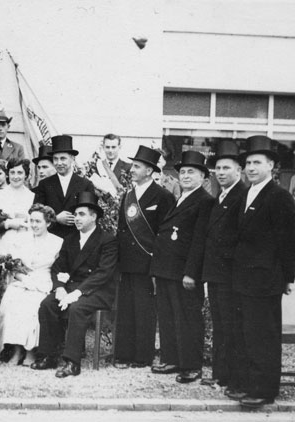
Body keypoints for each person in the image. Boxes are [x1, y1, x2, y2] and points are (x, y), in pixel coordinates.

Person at [231, 136, 295, 408]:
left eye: (257, 162)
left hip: (265, 277)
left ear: (271, 166)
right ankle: (248, 384)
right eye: (248, 163)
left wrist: (288, 277)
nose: (251, 168)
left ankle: (264, 390)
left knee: (264, 335)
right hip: (244, 277)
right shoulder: (246, 193)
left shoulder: (279, 197)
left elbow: (288, 240)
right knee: (247, 333)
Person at [32, 192, 118, 377]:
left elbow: (103, 273)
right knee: (47, 304)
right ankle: (48, 356)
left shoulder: (107, 240)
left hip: (98, 290)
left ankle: (72, 362)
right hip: (71, 288)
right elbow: (58, 266)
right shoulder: (70, 239)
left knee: (77, 308)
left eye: (82, 214)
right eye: (76, 214)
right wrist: (59, 288)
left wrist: (78, 292)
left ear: (93, 217)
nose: (77, 218)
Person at [149, 150, 214, 384]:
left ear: (203, 177)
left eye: (191, 172)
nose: (185, 176)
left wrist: (191, 273)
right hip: (166, 269)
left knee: (187, 319)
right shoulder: (181, 197)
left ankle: (191, 365)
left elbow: (199, 241)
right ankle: (171, 359)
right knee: (168, 317)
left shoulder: (204, 201)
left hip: (183, 273)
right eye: (183, 172)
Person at [113, 146, 175, 369]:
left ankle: (142, 356)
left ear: (149, 171)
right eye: (133, 165)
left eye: (137, 166)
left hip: (148, 263)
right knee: (126, 310)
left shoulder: (163, 196)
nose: (132, 170)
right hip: (127, 262)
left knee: (144, 310)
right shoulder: (128, 195)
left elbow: (164, 234)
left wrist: (158, 264)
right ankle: (123, 354)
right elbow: (121, 229)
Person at [193, 141, 247, 391]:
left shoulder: (242, 196)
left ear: (239, 170)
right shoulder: (221, 196)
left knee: (231, 327)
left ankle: (231, 377)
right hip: (216, 274)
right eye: (218, 169)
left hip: (230, 275)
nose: (221, 173)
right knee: (221, 325)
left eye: (227, 168)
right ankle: (220, 374)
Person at [0, 204, 63, 366]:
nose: (33, 225)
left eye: (38, 221)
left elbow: (59, 269)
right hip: (22, 280)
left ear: (48, 223)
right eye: (31, 221)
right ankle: (16, 350)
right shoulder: (21, 239)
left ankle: (30, 351)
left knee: (32, 306)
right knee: (12, 301)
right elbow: (13, 267)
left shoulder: (57, 242)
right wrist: (23, 279)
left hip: (43, 282)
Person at [34, 135, 95, 239]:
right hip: (51, 238)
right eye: (55, 159)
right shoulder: (44, 184)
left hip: (77, 239)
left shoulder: (85, 184)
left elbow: (91, 215)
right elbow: (36, 213)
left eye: (63, 158)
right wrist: (55, 218)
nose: (59, 163)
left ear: (72, 159)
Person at [0, 158, 35, 251]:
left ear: (26, 175)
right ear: (8, 174)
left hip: (25, 243)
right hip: (2, 243)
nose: (15, 176)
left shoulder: (32, 196)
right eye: (12, 172)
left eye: (20, 173)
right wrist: (8, 224)